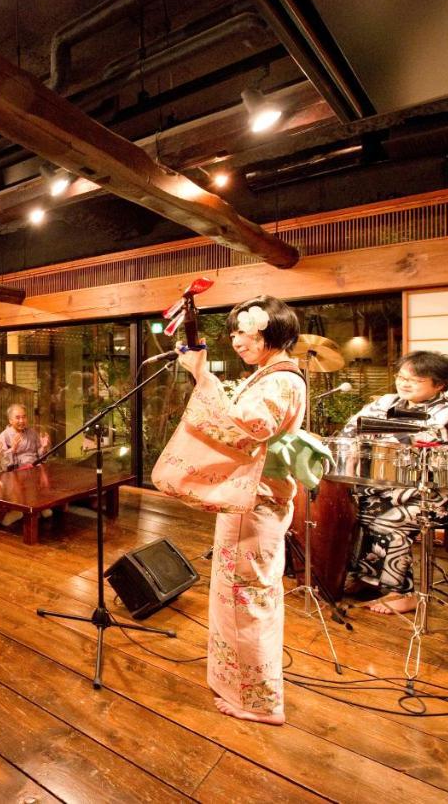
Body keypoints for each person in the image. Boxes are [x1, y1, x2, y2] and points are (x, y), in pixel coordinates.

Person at [174, 295, 306, 725]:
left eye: (243, 332)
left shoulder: (280, 381)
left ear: (271, 331)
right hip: (255, 498)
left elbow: (243, 429)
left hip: (257, 501)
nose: (236, 340)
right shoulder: (271, 376)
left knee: (248, 598)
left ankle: (259, 702)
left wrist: (202, 377)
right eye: (233, 333)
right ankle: (240, 684)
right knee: (242, 595)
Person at [342, 351, 448, 615]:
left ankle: (402, 592)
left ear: (438, 385)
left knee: (390, 517)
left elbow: (418, 441)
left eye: (414, 380)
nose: (403, 384)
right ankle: (367, 576)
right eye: (401, 377)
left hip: (440, 492)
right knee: (358, 507)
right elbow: (351, 429)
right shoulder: (385, 402)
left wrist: (380, 435)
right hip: (393, 485)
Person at [0, 403, 52, 469]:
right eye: (18, 418)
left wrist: (44, 447)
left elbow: (40, 456)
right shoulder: (4, 436)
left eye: (24, 417)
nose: (21, 421)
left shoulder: (32, 432)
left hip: (35, 468)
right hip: (16, 472)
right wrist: (12, 449)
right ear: (10, 420)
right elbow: (2, 465)